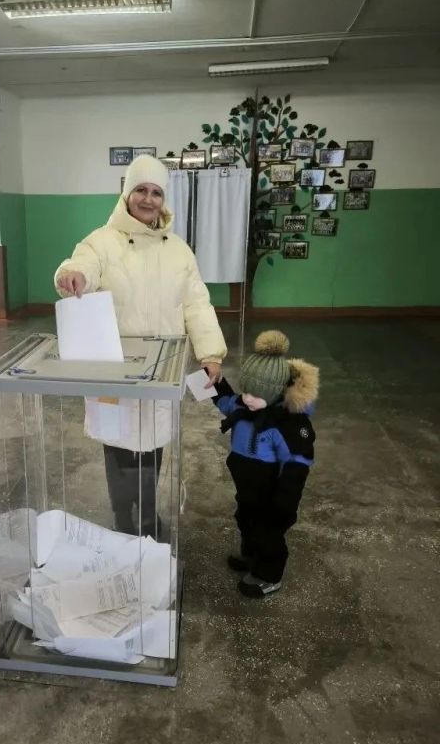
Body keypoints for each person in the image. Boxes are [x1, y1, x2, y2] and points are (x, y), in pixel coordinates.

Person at [55, 155, 227, 537]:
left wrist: (210, 353)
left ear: (163, 199)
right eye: (140, 190)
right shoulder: (100, 241)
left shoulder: (178, 250)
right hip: (114, 371)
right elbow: (81, 265)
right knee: (116, 450)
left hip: (160, 370)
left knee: (152, 448)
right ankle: (122, 517)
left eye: (156, 192)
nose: (148, 200)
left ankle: (148, 517)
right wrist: (72, 276)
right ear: (126, 193)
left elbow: (196, 302)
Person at [212, 330, 319, 598]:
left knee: (268, 533)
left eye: (255, 394)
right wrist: (212, 379)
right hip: (247, 485)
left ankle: (268, 575)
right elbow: (226, 400)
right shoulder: (245, 406)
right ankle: (251, 557)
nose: (247, 398)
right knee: (245, 520)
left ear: (275, 392)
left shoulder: (288, 424)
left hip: (273, 494)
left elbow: (297, 462)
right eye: (245, 390)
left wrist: (285, 503)